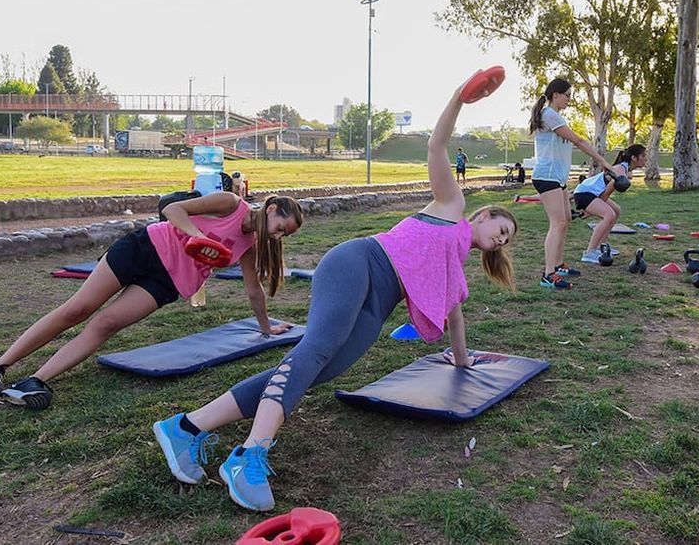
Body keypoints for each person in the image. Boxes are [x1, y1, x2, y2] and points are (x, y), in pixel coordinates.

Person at [152, 73, 518, 511]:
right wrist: (459, 99)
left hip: (377, 306)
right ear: (482, 217)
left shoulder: (453, 273)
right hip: (359, 263)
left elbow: (456, 320)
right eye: (502, 229)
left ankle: (187, 428)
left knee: (312, 371)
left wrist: (464, 363)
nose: (502, 239)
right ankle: (251, 453)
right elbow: (436, 147)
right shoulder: (451, 208)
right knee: (317, 348)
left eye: (508, 240)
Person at [0, 194, 304, 409]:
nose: (277, 236)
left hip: (166, 283)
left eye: (282, 235)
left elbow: (252, 288)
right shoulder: (231, 205)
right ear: (271, 209)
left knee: (106, 324)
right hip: (144, 249)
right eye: (279, 227)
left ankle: (35, 381)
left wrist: (266, 328)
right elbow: (172, 209)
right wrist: (195, 234)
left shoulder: (251, 243)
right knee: (78, 309)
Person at [529, 78, 612, 288]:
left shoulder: (553, 116)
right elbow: (579, 141)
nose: (569, 100)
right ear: (555, 94)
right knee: (557, 223)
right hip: (546, 177)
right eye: (567, 95)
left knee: (565, 221)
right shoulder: (549, 114)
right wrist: (602, 161)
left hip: (557, 178)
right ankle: (548, 275)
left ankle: (558, 266)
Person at [574, 145, 647, 263]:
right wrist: (589, 211)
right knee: (609, 215)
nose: (646, 159)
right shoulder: (620, 171)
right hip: (585, 193)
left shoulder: (624, 169)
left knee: (616, 210)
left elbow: (603, 193)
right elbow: (605, 194)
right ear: (634, 157)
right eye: (643, 156)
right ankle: (589, 252)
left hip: (593, 193)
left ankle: (602, 247)